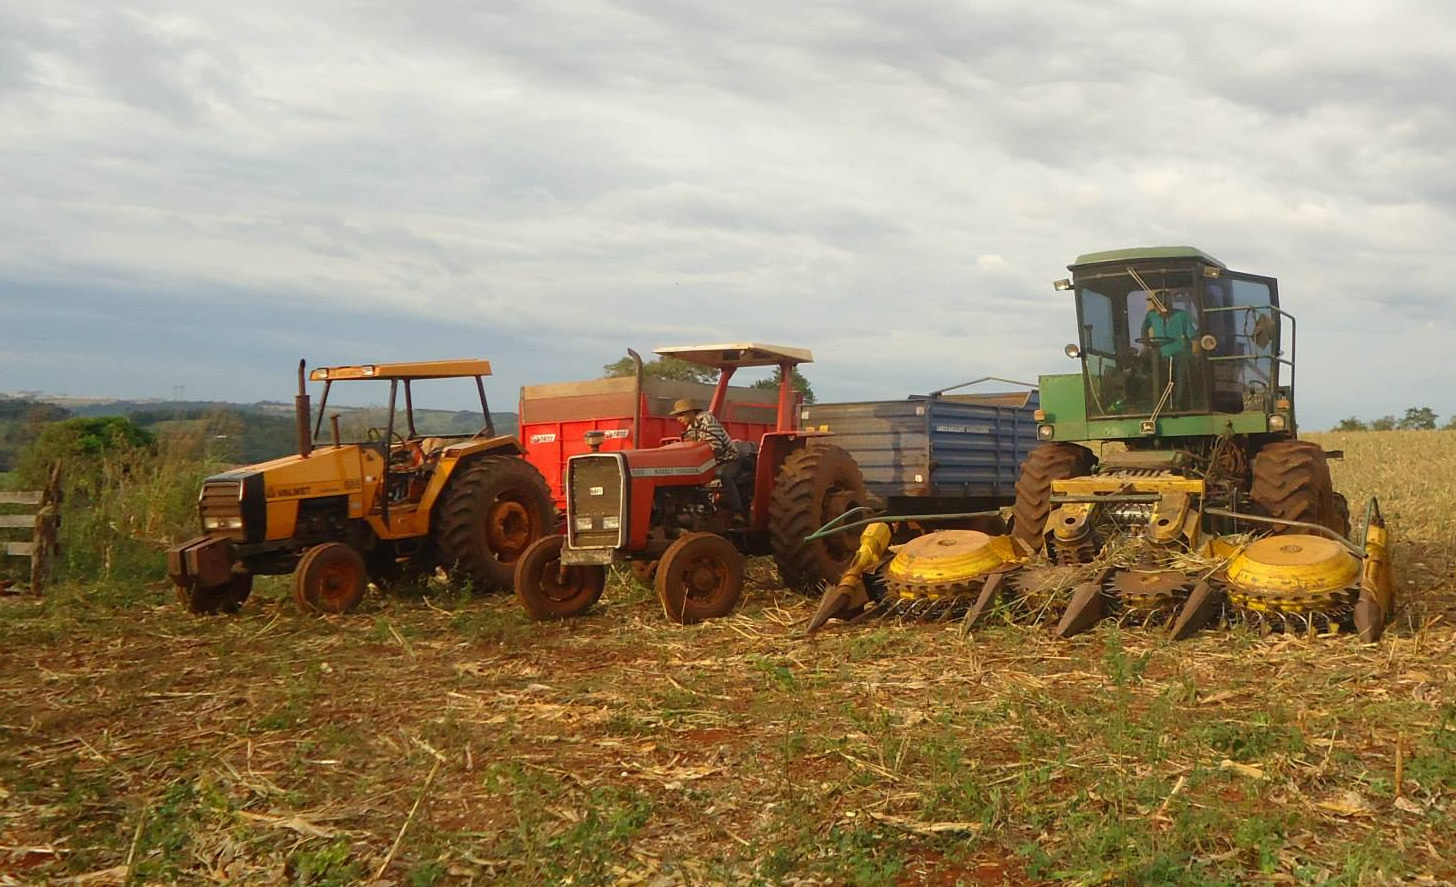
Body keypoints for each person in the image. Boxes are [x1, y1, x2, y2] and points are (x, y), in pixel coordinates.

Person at [670, 398, 745, 518]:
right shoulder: (691, 428)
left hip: (728, 458)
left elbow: (715, 448)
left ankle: (736, 512)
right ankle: (702, 511)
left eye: (681, 415)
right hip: (712, 461)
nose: (678, 419)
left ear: (691, 412)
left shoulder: (707, 421)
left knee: (724, 476)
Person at [1139, 291, 1197, 410]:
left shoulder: (1182, 316)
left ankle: (1178, 405)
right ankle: (1154, 402)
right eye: (1156, 304)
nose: (1158, 307)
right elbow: (1144, 328)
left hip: (1181, 353)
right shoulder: (1151, 316)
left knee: (1181, 372)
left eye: (1161, 303)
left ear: (1169, 304)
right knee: (1146, 366)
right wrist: (1146, 345)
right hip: (1160, 354)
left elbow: (1193, 336)